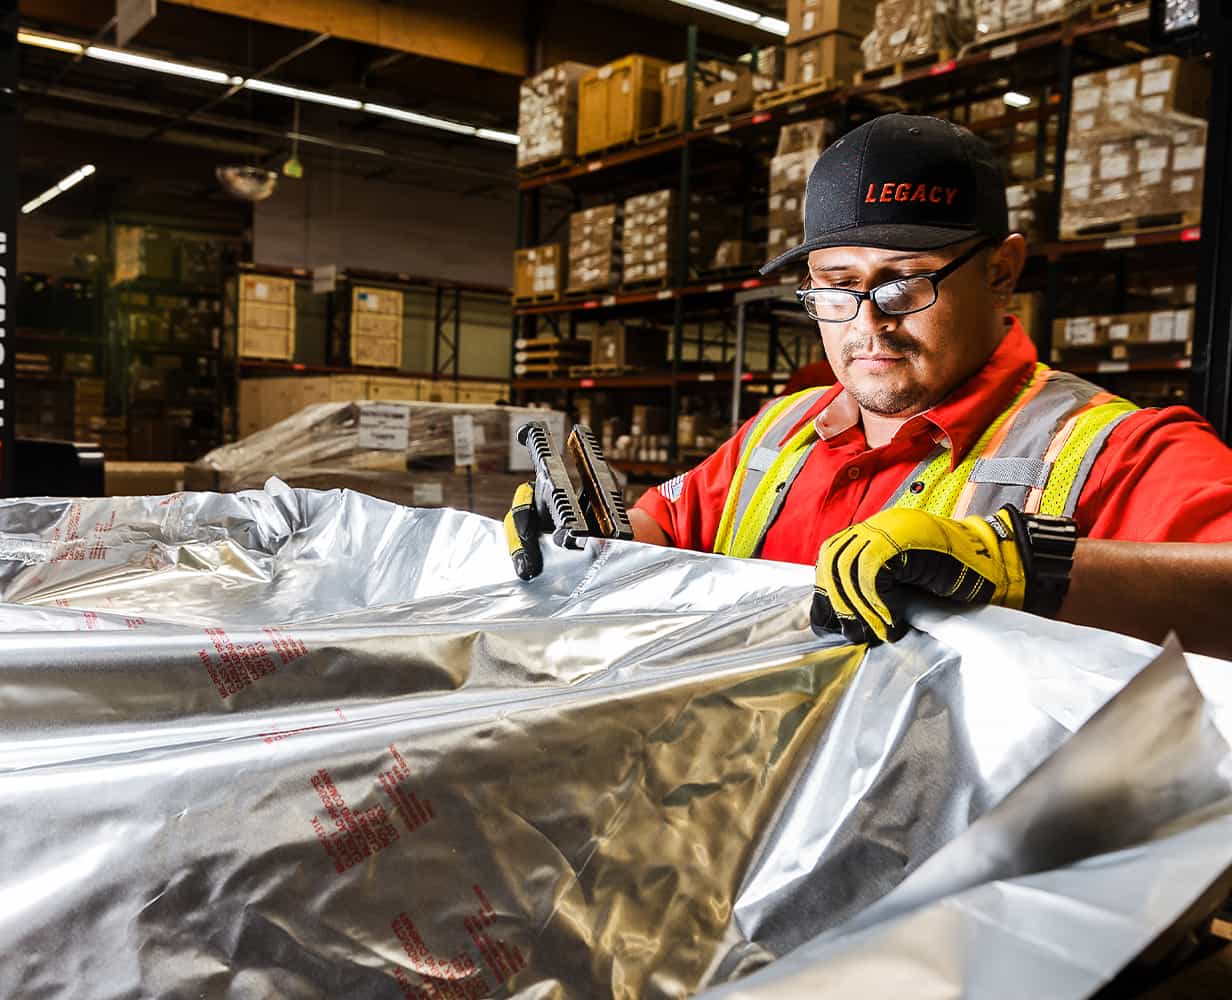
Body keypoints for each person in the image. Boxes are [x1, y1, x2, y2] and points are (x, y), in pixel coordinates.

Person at [507, 113, 1232, 658]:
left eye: (902, 286)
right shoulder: (782, 432)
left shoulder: (1116, 449)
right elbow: (668, 526)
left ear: (1002, 272)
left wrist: (1019, 566)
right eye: (836, 288)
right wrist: (590, 542)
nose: (866, 327)